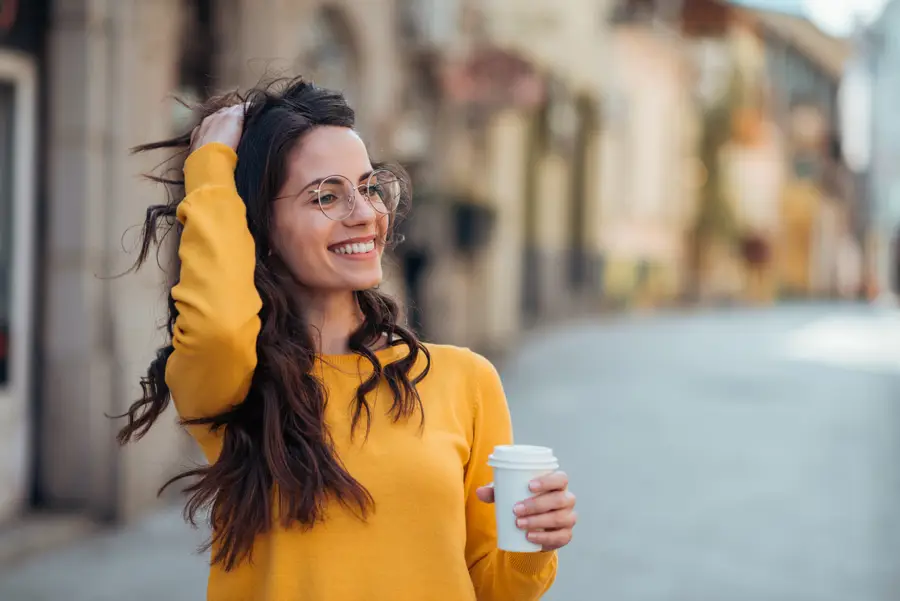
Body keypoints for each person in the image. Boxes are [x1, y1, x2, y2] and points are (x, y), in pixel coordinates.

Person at [115, 78, 577, 601]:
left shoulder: (465, 379)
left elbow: (495, 588)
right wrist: (211, 165)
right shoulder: (236, 384)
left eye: (368, 186)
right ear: (257, 227)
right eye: (326, 196)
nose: (364, 213)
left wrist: (535, 542)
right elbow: (219, 327)